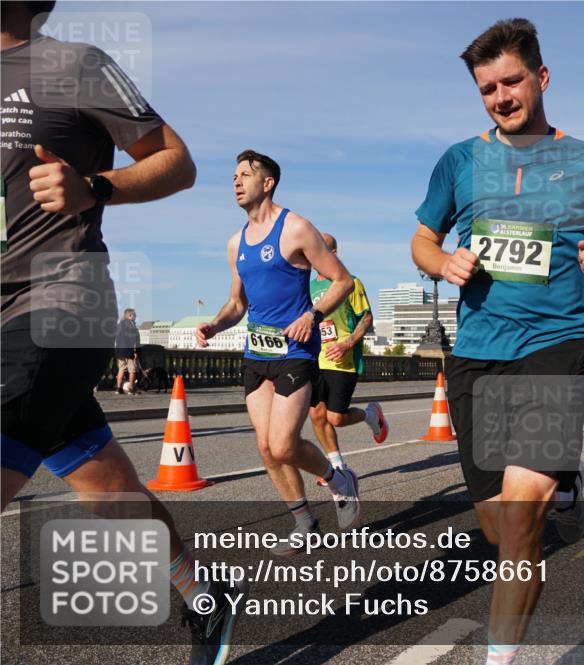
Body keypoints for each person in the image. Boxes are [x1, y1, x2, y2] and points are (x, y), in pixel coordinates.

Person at [0, 4, 248, 663]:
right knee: (107, 491)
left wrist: (94, 186)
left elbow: (177, 159)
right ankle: (204, 597)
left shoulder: (72, 64)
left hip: (59, 301)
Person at [409, 18, 584, 664]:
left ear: (541, 78)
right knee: (501, 527)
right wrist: (442, 263)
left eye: (511, 81)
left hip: (557, 342)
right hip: (479, 352)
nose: (500, 97)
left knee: (519, 521)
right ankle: (559, 487)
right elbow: (422, 240)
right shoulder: (459, 161)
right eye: (487, 88)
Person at [197, 150, 360, 553]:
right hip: (257, 353)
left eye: (245, 175)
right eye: (233, 175)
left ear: (267, 183)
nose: (236, 182)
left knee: (285, 444)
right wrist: (215, 325)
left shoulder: (296, 228)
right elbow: (237, 303)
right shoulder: (236, 243)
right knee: (267, 447)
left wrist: (313, 313)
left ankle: (339, 480)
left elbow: (342, 280)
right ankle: (304, 522)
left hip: (296, 351)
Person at [307, 233, 388, 527]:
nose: (313, 255)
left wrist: (348, 342)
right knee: (316, 414)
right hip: (315, 359)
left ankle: (370, 414)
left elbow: (367, 318)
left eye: (320, 249)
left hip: (343, 359)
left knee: (336, 418)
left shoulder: (351, 282)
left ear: (334, 251)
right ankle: (338, 468)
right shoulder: (308, 285)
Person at [114, 308, 140, 394]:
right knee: (132, 370)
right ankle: (131, 389)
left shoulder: (119, 325)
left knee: (121, 370)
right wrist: (136, 351)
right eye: (134, 315)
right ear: (129, 315)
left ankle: (118, 389)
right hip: (129, 351)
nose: (135, 317)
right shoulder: (132, 326)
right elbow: (134, 340)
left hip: (119, 351)